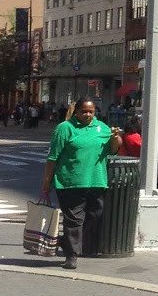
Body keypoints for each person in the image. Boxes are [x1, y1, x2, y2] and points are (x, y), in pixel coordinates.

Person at [41, 99, 122, 270]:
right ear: (76, 111)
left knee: (95, 213)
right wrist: (46, 182)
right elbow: (52, 157)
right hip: (70, 181)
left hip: (95, 180)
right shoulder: (65, 128)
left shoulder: (102, 128)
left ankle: (65, 241)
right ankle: (72, 255)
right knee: (74, 219)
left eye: (91, 112)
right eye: (84, 111)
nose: (88, 115)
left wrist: (116, 138)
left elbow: (113, 150)